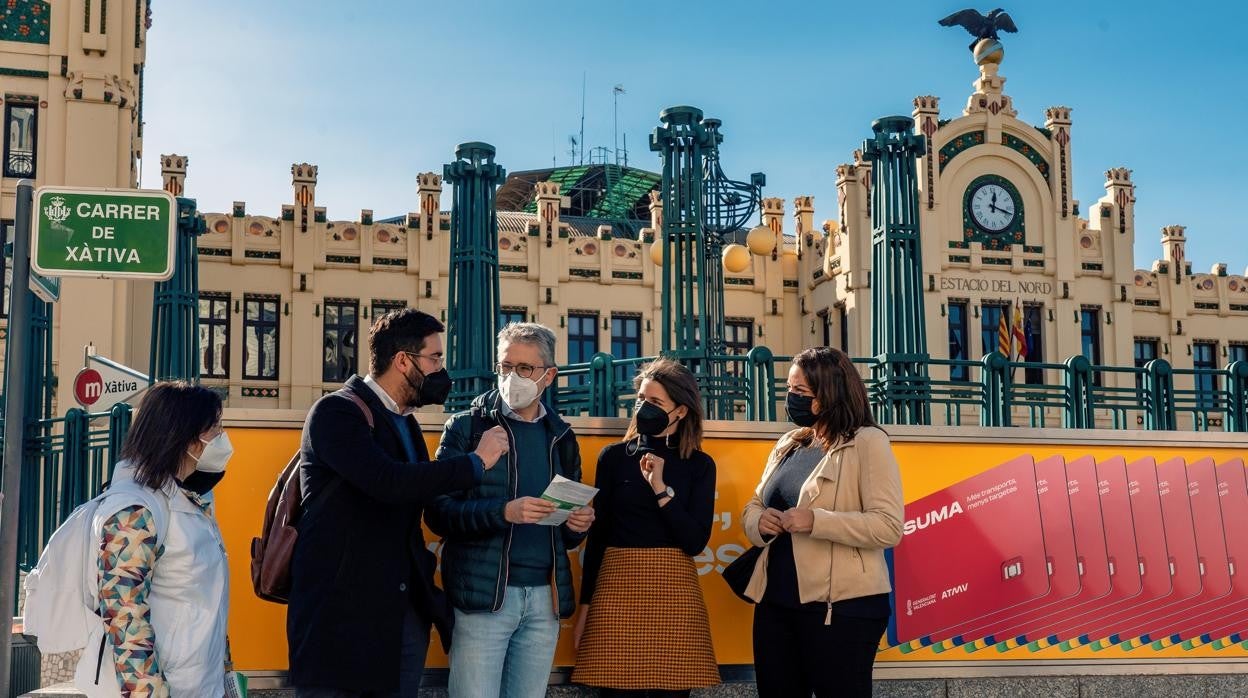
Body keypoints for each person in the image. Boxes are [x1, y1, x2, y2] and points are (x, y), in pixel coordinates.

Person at [287, 309, 509, 697]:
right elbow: (386, 481)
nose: (442, 369)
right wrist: (476, 462)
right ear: (403, 361)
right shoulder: (337, 412)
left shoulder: (404, 422)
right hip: (341, 621)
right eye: (435, 358)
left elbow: (420, 495)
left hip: (400, 616)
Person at [427, 322, 594, 698]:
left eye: (524, 369)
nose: (511, 377)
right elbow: (439, 514)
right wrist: (504, 512)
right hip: (484, 599)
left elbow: (565, 535)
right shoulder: (466, 429)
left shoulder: (562, 437)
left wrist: (578, 524)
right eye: (505, 366)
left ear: (548, 375)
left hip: (543, 602)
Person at [741, 346, 904, 698]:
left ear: (830, 392)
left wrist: (816, 520)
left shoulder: (867, 442)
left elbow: (888, 526)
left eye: (801, 391)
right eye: (789, 389)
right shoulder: (790, 443)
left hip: (842, 610)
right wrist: (759, 522)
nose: (791, 398)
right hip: (775, 604)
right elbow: (754, 504)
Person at [572, 359, 721, 697]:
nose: (643, 407)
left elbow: (695, 541)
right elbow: (598, 536)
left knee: (672, 691)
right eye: (641, 399)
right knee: (616, 691)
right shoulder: (613, 457)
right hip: (616, 587)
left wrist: (660, 489)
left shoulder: (699, 464)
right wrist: (585, 609)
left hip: (675, 591)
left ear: (681, 411)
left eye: (655, 402)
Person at [83, 381, 231, 696]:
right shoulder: (134, 509)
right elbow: (124, 615)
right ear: (184, 436)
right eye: (214, 430)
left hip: (200, 686)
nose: (222, 438)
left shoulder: (190, 500)